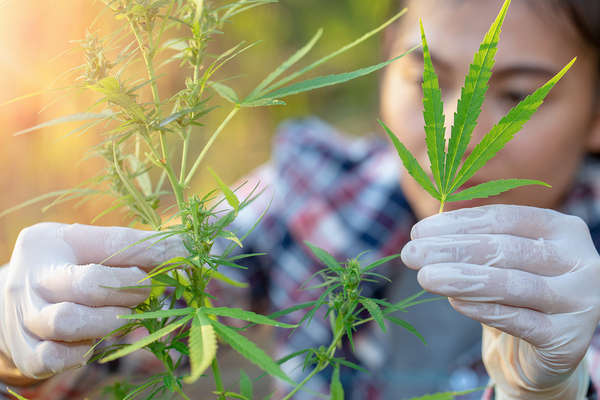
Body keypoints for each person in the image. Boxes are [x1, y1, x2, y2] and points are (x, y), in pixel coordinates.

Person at [2, 0, 600, 399]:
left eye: (522, 93)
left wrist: (560, 388)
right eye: (424, 79)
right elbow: (115, 348)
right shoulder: (315, 193)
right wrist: (25, 332)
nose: (453, 133)